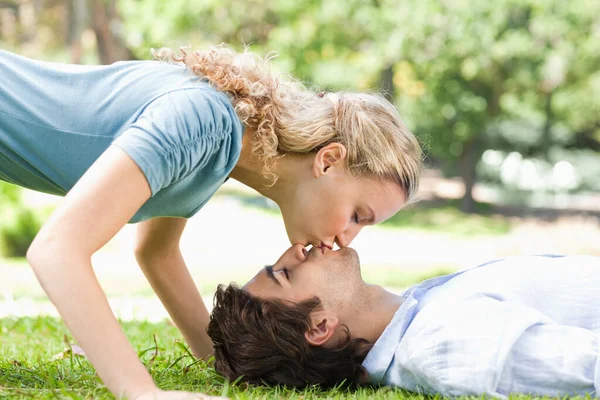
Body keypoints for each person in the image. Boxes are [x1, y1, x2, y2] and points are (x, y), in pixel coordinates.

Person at [0, 45, 422, 399]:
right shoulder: (207, 123)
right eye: (356, 216)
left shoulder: (223, 151)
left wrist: (226, 361)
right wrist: (142, 392)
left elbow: (156, 253)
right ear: (328, 161)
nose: (346, 240)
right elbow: (57, 250)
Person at [208, 244, 600, 398]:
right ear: (319, 326)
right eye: (285, 273)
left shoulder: (419, 315)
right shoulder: (444, 345)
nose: (295, 249)